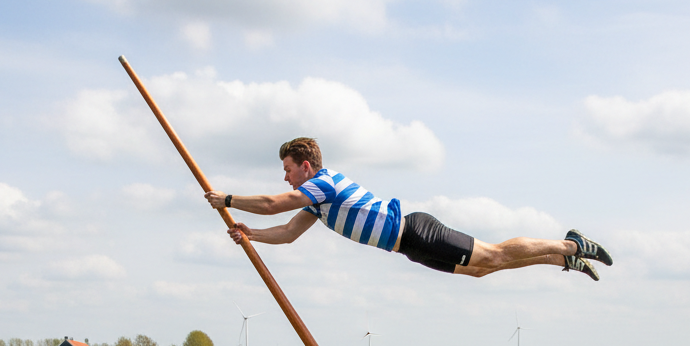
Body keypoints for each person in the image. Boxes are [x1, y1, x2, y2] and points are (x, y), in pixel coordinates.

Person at [205, 137, 613, 281]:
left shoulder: (323, 184)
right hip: (408, 249)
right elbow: (288, 231)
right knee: (482, 270)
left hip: (416, 231)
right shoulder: (318, 205)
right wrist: (250, 235)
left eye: (288, 170)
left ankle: (571, 244)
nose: (285, 178)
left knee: (495, 253)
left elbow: (275, 205)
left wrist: (227, 200)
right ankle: (560, 260)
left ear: (306, 166)